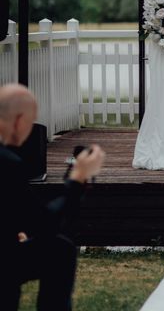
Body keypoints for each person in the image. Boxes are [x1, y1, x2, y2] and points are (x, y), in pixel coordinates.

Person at [0, 83, 105, 310]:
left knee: (57, 248)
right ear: (19, 120)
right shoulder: (7, 163)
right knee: (59, 249)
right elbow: (43, 223)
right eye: (32, 121)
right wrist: (77, 179)